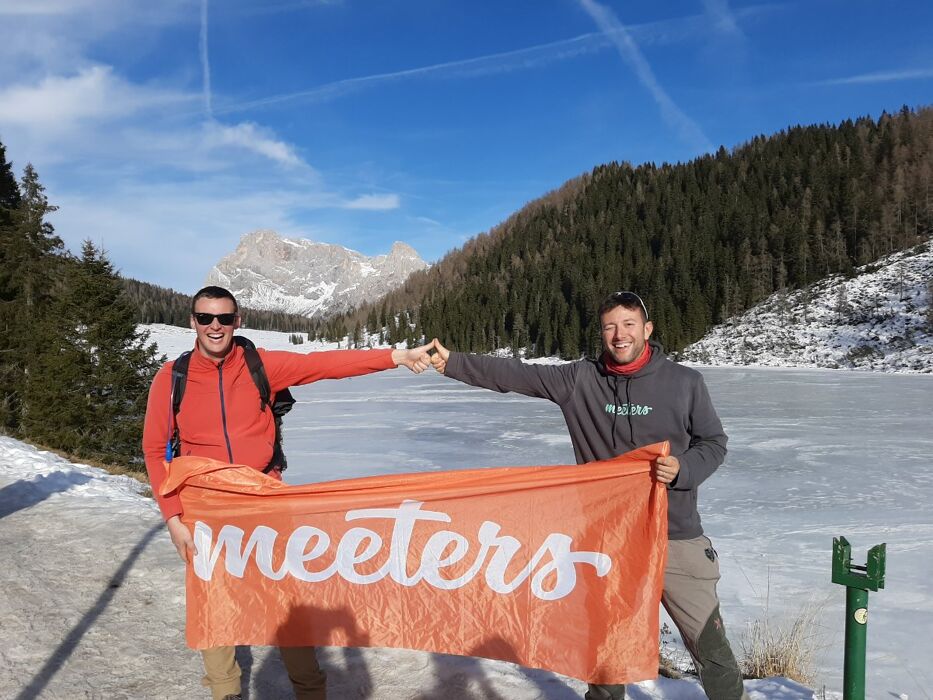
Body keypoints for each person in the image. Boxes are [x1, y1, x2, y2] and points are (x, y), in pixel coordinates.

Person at [430, 291, 747, 700]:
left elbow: (714, 443)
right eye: (610, 326)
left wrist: (684, 469)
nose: (620, 335)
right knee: (608, 645)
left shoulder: (685, 383)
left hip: (676, 534)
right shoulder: (580, 380)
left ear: (647, 329)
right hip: (609, 538)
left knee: (709, 646)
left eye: (629, 324)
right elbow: (516, 375)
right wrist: (453, 362)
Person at [143, 285, 434, 700]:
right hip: (205, 505)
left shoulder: (261, 365)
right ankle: (226, 693)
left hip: (265, 497)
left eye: (224, 318)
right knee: (215, 602)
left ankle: (309, 691)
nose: (215, 326)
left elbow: (326, 363)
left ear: (237, 321)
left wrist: (395, 357)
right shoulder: (172, 378)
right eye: (206, 318)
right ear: (192, 322)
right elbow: (155, 450)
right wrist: (173, 518)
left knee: (286, 599)